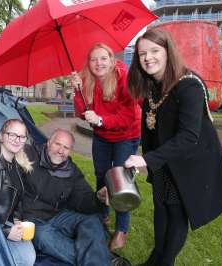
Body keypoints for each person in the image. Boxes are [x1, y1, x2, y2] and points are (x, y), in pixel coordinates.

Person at [124, 28, 222, 266]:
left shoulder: (189, 85)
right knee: (161, 209)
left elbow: (188, 137)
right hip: (164, 162)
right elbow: (150, 129)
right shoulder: (152, 86)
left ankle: (164, 262)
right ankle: (156, 259)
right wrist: (149, 159)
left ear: (168, 52)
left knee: (175, 214)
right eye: (142, 53)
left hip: (189, 164)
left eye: (154, 51)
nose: (148, 58)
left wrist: (147, 160)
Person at [0, 129, 119, 266]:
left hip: (57, 215)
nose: (61, 151)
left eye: (66, 148)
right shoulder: (29, 153)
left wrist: (98, 198)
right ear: (49, 142)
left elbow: (84, 200)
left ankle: (100, 261)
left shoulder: (71, 171)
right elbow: (4, 144)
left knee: (91, 220)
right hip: (30, 218)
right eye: (57, 144)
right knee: (43, 236)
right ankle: (105, 261)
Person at [70, 43, 141, 251]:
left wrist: (101, 120)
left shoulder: (123, 77)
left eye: (103, 58)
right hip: (102, 136)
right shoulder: (87, 80)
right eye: (94, 59)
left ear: (111, 59)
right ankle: (103, 216)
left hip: (125, 135)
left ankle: (122, 229)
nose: (98, 63)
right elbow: (82, 112)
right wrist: (77, 90)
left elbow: (128, 116)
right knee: (101, 176)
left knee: (120, 183)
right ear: (89, 63)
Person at [0, 119, 36, 266]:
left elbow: (16, 198)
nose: (17, 140)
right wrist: (5, 231)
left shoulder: (17, 164)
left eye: (22, 137)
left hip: (6, 222)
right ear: (1, 136)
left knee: (29, 255)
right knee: (24, 259)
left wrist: (17, 219)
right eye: (12, 135)